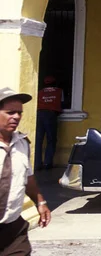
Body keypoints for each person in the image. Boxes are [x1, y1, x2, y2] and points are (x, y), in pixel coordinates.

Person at [0, 87, 51, 255]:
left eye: (19, 113)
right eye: (10, 112)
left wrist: (40, 202)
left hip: (13, 228)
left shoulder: (22, 143)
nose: (16, 117)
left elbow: (27, 177)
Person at [35, 76, 63, 170]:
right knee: (51, 139)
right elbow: (62, 102)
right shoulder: (59, 91)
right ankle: (47, 163)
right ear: (55, 83)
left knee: (38, 140)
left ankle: (37, 163)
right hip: (51, 115)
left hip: (39, 114)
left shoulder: (40, 92)